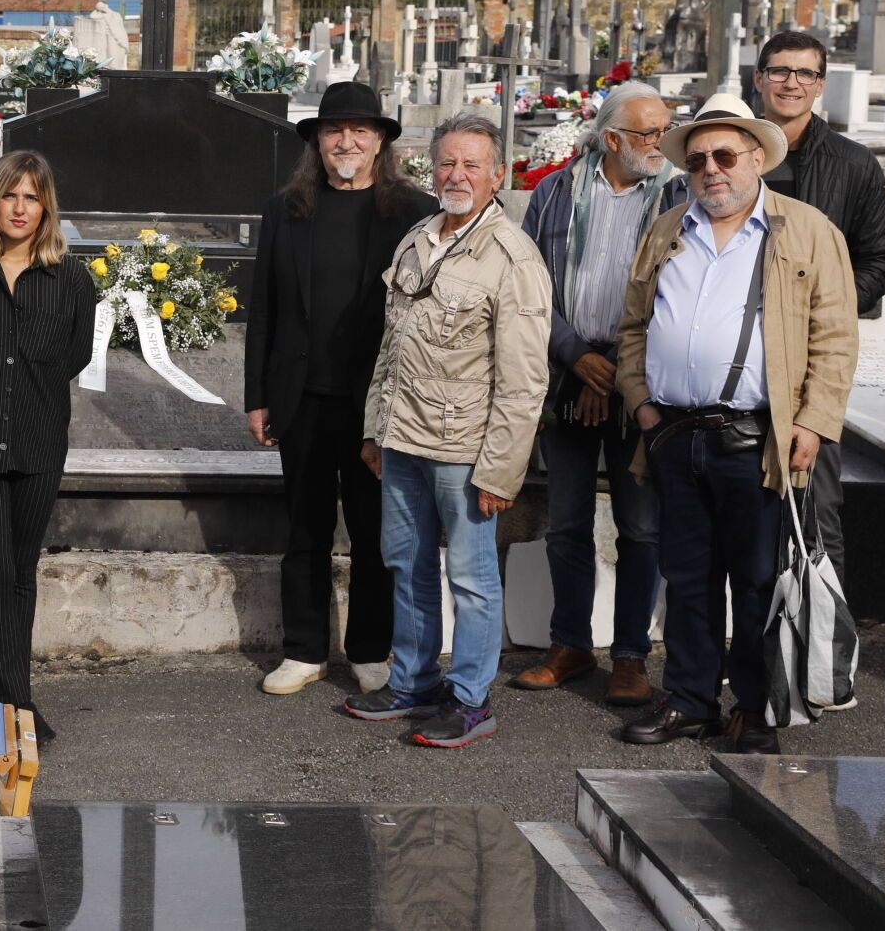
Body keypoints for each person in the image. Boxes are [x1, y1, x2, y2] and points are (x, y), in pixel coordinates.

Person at [617, 96, 856, 755]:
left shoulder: (804, 231)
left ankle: (754, 707)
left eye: (725, 155)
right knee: (687, 577)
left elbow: (835, 338)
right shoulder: (668, 229)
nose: (711, 169)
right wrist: (642, 405)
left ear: (757, 158)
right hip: (675, 434)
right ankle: (691, 700)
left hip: (760, 439)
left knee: (756, 582)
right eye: (697, 160)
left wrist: (814, 420)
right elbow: (634, 327)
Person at [339, 112, 550, 749]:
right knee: (406, 566)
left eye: (471, 165)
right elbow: (390, 350)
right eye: (447, 163)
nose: (457, 175)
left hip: (464, 451)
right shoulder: (417, 240)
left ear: (497, 175)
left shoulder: (513, 258)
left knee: (471, 578)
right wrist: (375, 431)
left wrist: (502, 470)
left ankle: (469, 698)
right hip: (403, 442)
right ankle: (412, 680)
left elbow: (523, 380)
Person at [245, 81, 437, 700]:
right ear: (318, 143)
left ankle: (369, 648)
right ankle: (303, 650)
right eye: (334, 132)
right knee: (304, 529)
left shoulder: (414, 212)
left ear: (380, 141)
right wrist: (258, 396)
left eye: (360, 131)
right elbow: (265, 312)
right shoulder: (285, 211)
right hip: (302, 398)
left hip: (378, 405)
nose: (346, 142)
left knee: (375, 529)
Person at [512, 82, 676, 706]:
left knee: (640, 527)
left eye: (664, 130)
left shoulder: (677, 196)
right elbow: (533, 288)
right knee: (568, 522)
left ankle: (631, 655)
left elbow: (675, 292)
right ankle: (570, 643)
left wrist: (611, 369)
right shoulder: (555, 192)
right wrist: (577, 357)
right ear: (611, 139)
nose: (661, 143)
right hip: (567, 376)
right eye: (647, 134)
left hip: (641, 382)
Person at [0, 151, 96, 741]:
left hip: (38, 442)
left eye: (31, 197)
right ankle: (16, 709)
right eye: (10, 195)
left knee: (20, 573)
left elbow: (76, 354)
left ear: (45, 208)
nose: (19, 208)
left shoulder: (72, 279)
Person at [753, 29, 885, 644]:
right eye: (779, 70)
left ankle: (825, 651)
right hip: (731, 364)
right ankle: (753, 643)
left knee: (817, 506)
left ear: (820, 84)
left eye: (805, 74)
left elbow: (880, 259)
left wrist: (824, 313)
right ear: (757, 78)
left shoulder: (854, 166)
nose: (791, 82)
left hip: (811, 364)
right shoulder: (729, 152)